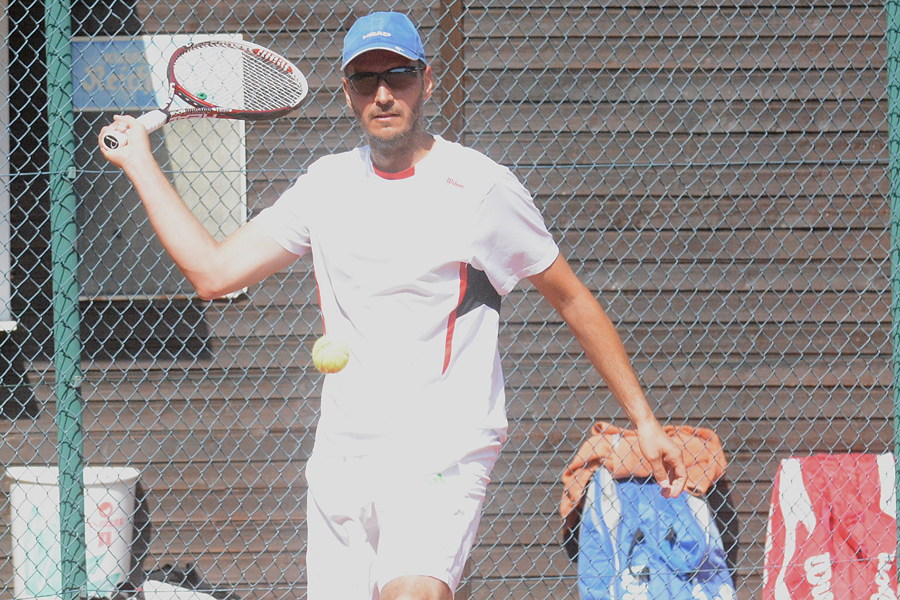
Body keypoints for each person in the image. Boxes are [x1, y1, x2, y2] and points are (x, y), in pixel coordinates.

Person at [99, 11, 688, 600]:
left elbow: (571, 297)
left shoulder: (480, 188)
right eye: (366, 79)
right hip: (344, 452)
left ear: (426, 82)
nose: (383, 94)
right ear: (348, 92)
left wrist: (644, 420)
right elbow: (213, 273)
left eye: (398, 75)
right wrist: (142, 164)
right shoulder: (325, 186)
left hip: (443, 445)